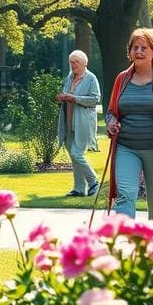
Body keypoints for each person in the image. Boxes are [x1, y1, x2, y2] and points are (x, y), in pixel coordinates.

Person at [105, 27, 153, 223]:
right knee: (125, 195)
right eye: (134, 48)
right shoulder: (121, 79)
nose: (138, 52)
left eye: (143, 48)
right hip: (126, 147)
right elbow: (111, 112)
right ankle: (122, 241)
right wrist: (111, 123)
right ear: (129, 52)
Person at [56, 49, 101, 197]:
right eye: (71, 62)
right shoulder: (70, 77)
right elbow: (67, 93)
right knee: (73, 156)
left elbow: (95, 99)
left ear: (84, 63)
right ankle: (79, 188)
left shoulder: (91, 79)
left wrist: (74, 98)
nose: (73, 65)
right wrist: (62, 97)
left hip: (82, 123)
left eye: (76, 62)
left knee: (77, 153)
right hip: (68, 122)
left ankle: (94, 181)